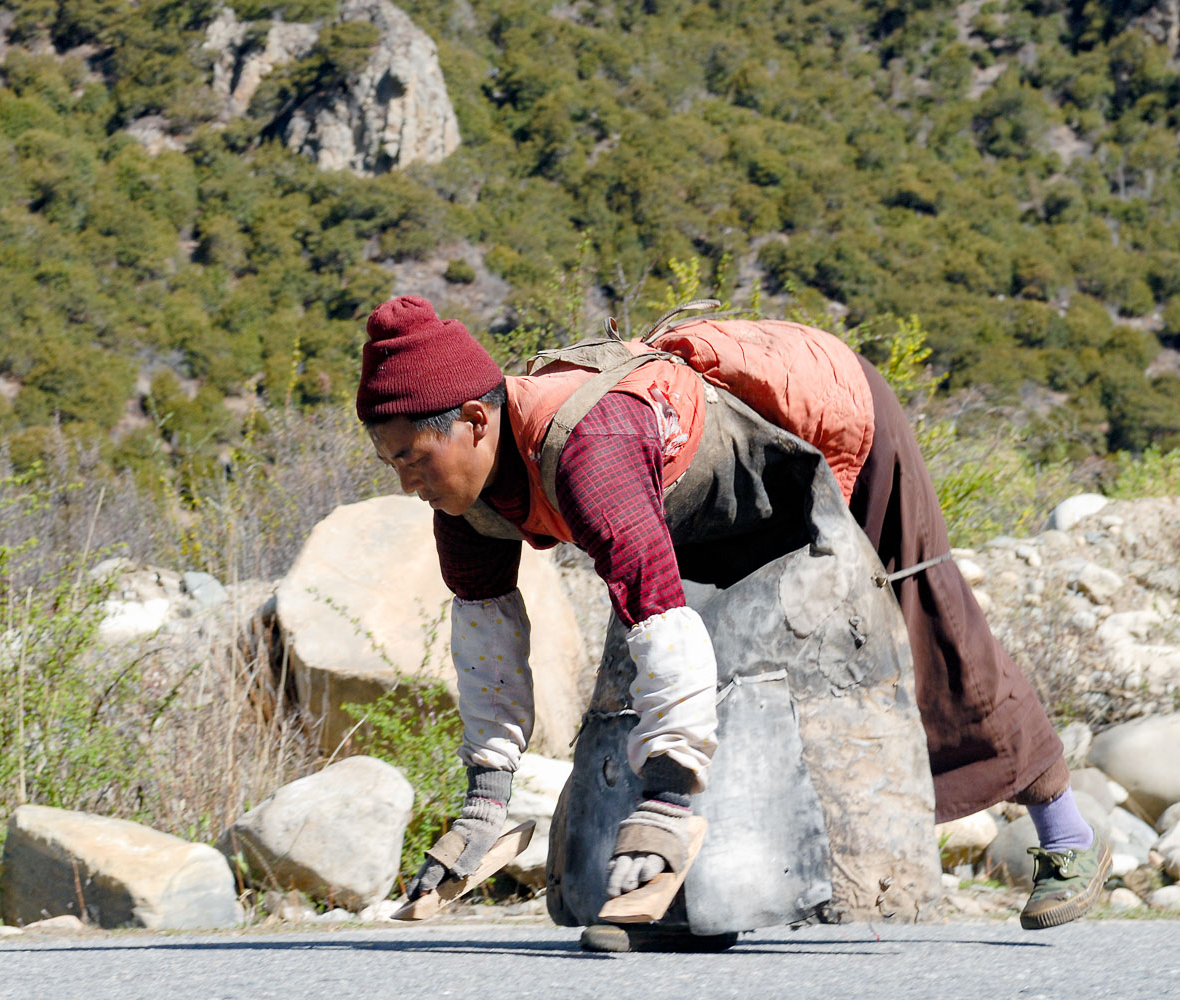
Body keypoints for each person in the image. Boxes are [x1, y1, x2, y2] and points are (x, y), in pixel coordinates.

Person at [355, 294, 1111, 933]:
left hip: (823, 414)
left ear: (473, 422)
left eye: (412, 460)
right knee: (680, 661)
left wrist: (666, 802)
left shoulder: (593, 447)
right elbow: (489, 642)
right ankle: (683, 897)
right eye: (390, 463)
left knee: (922, 617)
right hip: (705, 492)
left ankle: (1065, 833)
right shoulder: (461, 502)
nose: (404, 482)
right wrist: (486, 801)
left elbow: (653, 609)